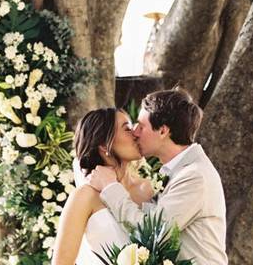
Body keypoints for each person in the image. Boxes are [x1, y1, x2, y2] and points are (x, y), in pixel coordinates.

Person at [87, 88, 228, 265]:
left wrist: (110, 187)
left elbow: (153, 232)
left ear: (162, 131)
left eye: (141, 126)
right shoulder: (178, 171)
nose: (135, 133)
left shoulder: (194, 176)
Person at [51, 108, 155, 265]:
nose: (135, 133)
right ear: (105, 146)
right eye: (127, 128)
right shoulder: (85, 196)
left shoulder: (146, 189)